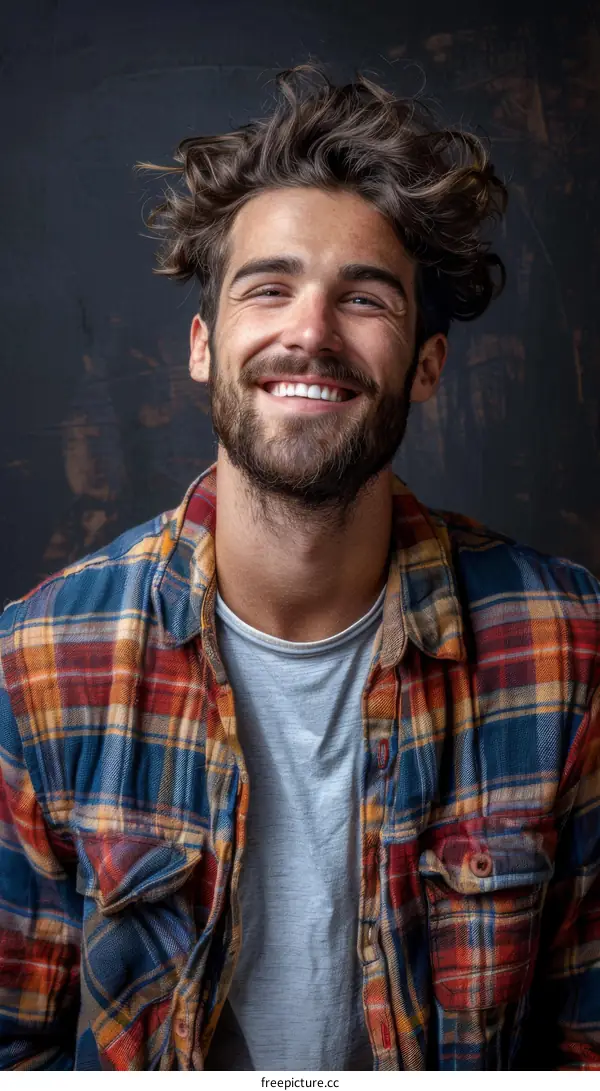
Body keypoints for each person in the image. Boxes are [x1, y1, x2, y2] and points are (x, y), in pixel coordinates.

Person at [0, 64, 598, 1073]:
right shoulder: (43, 662)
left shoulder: (567, 645)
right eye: (268, 287)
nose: (310, 332)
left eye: (364, 297)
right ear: (203, 345)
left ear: (427, 366)